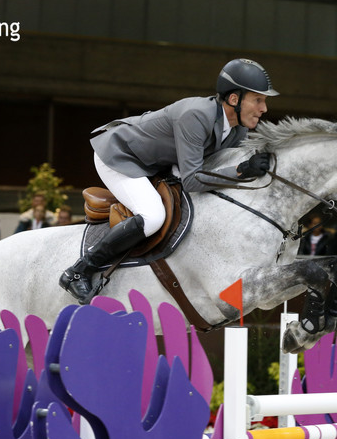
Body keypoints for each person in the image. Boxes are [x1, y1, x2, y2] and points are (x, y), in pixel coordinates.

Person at [59, 58, 277, 303]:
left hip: (158, 164)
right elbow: (194, 180)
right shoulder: (196, 115)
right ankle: (80, 270)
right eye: (258, 100)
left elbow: (213, 169)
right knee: (153, 216)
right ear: (234, 99)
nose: (264, 108)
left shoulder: (238, 129)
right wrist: (240, 171)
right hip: (121, 155)